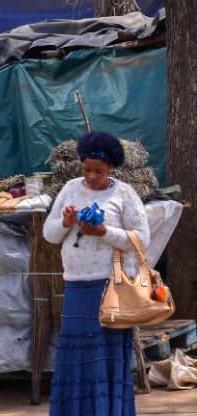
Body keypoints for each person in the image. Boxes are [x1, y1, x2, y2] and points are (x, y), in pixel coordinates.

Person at [44, 131, 149, 416]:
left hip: (111, 288)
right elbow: (50, 234)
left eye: (98, 171)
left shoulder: (124, 194)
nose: (91, 176)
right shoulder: (70, 188)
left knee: (107, 356)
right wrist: (65, 222)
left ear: (111, 168)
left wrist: (104, 232)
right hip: (77, 287)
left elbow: (141, 239)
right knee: (77, 356)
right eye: (86, 169)